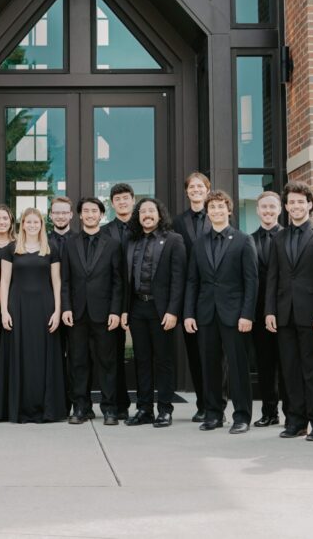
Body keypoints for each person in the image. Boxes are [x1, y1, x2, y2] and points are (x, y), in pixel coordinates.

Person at [265, 181, 313, 441]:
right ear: (285, 207)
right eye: (291, 202)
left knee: (312, 369)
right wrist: (270, 310)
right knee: (290, 370)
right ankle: (295, 421)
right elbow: (273, 276)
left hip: (312, 315)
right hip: (284, 314)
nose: (295, 206)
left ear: (310, 204)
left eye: (300, 202)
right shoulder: (279, 237)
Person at [184, 189, 257, 433]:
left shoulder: (243, 240)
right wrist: (189, 314)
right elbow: (192, 281)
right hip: (205, 314)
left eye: (220, 206)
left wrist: (247, 314)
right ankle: (214, 414)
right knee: (210, 366)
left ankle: (242, 416)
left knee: (237, 367)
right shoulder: (198, 244)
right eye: (212, 207)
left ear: (228, 209)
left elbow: (251, 281)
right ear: (207, 212)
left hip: (235, 315)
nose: (216, 211)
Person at [0, 207, 67, 423]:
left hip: (45, 306)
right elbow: (4, 281)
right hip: (17, 306)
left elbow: (56, 282)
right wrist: (3, 311)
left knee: (42, 357)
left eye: (36, 222)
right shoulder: (10, 249)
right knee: (21, 355)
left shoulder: (51, 248)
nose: (32, 226)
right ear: (22, 224)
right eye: (28, 222)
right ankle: (20, 408)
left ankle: (44, 408)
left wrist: (57, 311)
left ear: (41, 224)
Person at [121, 198, 185, 428]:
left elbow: (179, 279)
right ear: (138, 216)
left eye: (151, 210)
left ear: (159, 214)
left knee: (164, 361)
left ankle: (165, 410)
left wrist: (173, 311)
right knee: (142, 360)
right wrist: (124, 310)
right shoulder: (130, 241)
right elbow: (125, 280)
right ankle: (144, 409)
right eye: (143, 211)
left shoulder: (174, 240)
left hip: (162, 310)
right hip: (137, 308)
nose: (147, 214)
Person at [62, 198, 125, 425]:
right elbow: (65, 281)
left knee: (107, 363)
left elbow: (119, 282)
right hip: (77, 314)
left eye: (94, 211)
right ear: (80, 215)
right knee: (78, 362)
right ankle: (81, 407)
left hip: (105, 314)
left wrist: (116, 311)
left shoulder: (113, 244)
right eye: (86, 211)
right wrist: (66, 308)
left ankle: (109, 409)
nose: (90, 214)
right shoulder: (70, 244)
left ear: (101, 214)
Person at [173, 172, 212, 422]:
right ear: (186, 192)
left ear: (208, 190)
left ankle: (215, 403)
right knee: (195, 354)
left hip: (213, 293)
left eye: (201, 186)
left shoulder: (218, 217)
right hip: (189, 295)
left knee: (215, 354)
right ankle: (201, 404)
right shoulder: (178, 222)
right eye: (192, 187)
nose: (196, 190)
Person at [250, 191, 285, 428]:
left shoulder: (289, 236)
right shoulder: (248, 240)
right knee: (265, 364)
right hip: (258, 311)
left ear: (280, 209)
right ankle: (269, 412)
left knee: (288, 364)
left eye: (272, 207)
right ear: (257, 210)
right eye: (264, 207)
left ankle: (293, 413)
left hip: (286, 310)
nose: (268, 211)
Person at [102, 184, 135, 419]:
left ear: (133, 200)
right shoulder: (105, 232)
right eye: (118, 199)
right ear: (112, 204)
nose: (122, 202)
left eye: (126, 198)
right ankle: (119, 404)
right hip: (112, 300)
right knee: (113, 355)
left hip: (140, 298)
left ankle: (145, 406)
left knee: (142, 355)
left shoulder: (143, 227)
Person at [47, 195, 77, 416]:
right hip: (48, 308)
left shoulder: (79, 239)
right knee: (53, 357)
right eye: (56, 212)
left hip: (77, 308)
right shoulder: (42, 241)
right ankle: (57, 403)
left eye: (63, 212)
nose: (59, 216)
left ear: (71, 215)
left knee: (76, 358)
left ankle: (77, 403)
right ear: (50, 215)